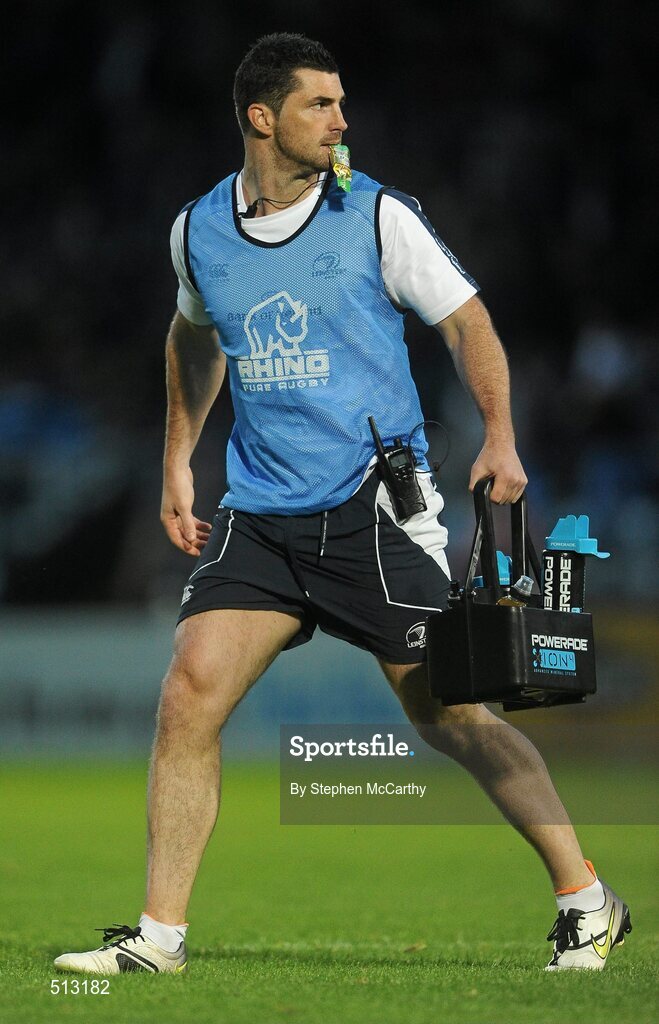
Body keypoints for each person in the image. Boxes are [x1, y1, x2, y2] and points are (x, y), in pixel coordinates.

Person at [55, 32, 630, 976]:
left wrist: (499, 434)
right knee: (187, 694)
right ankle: (158, 940)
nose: (341, 119)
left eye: (341, 101)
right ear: (261, 116)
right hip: (262, 512)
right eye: (320, 103)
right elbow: (193, 337)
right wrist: (177, 461)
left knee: (450, 716)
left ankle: (585, 900)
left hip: (374, 507)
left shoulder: (375, 215)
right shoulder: (196, 228)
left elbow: (466, 320)